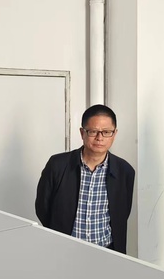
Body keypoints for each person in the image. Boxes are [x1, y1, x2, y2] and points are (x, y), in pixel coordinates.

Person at [35, 104, 135, 254]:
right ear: (82, 133)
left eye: (106, 132)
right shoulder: (58, 165)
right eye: (93, 131)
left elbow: (121, 214)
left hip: (107, 252)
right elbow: (43, 208)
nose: (99, 138)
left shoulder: (125, 171)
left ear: (114, 134)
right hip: (64, 250)